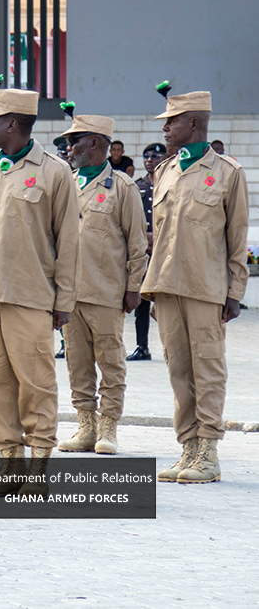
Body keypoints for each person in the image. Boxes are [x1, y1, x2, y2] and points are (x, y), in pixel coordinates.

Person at [0, 80, 77, 496]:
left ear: (12, 123)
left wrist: (64, 301)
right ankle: (9, 463)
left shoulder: (54, 172)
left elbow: (69, 242)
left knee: (36, 386)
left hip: (32, 297)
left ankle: (39, 465)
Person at [142, 86, 248, 484]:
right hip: (168, 287)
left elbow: (236, 239)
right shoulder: (164, 170)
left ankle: (208, 451)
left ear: (194, 123)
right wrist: (154, 288)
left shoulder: (227, 173)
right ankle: (187, 447)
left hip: (206, 288)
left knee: (208, 369)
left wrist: (234, 292)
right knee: (179, 371)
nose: (165, 129)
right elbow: (161, 236)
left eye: (171, 121)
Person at [56, 112, 148, 456]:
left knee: (110, 362)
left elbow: (137, 242)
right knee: (77, 363)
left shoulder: (122, 187)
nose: (69, 148)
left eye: (74, 141)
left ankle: (108, 426)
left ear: (95, 143)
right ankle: (85, 426)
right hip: (70, 294)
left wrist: (133, 286)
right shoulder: (68, 182)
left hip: (107, 291)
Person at [128, 143, 167, 361]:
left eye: (155, 156)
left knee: (166, 301)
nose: (150, 160)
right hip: (144, 249)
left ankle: (171, 344)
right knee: (142, 300)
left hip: (165, 251)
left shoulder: (172, 183)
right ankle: (142, 345)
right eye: (146, 156)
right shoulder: (138, 185)